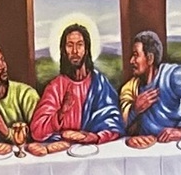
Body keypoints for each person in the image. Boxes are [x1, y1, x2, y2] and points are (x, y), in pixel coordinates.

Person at [26, 21, 122, 150]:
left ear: (87, 49)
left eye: (80, 45)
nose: (75, 51)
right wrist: (60, 114)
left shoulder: (99, 83)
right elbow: (37, 131)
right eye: (70, 45)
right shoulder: (56, 87)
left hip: (96, 150)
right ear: (63, 50)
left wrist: (96, 137)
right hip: (62, 152)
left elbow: (115, 121)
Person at [119, 30, 181, 142]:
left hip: (176, 145)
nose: (131, 61)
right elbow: (120, 124)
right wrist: (135, 109)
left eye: (136, 55)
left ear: (150, 58)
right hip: (148, 147)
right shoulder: (131, 87)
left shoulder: (172, 75)